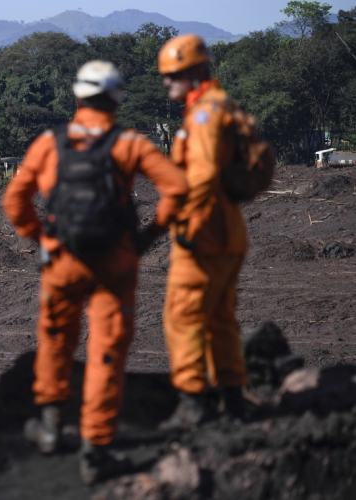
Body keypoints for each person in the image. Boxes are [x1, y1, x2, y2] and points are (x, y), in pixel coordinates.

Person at [3, 60, 188, 485]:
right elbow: (177, 189)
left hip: (62, 262)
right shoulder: (128, 142)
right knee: (106, 351)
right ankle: (97, 448)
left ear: (78, 96)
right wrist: (149, 236)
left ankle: (50, 427)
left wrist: (42, 239)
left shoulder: (51, 142)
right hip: (116, 263)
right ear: (117, 97)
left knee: (54, 340)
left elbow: (15, 200)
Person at [157, 34, 249, 430]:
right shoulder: (217, 106)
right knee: (220, 319)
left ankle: (193, 402)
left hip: (205, 235)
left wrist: (188, 228)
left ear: (195, 72)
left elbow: (204, 175)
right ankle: (233, 397)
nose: (166, 82)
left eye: (173, 74)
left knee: (183, 316)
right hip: (228, 229)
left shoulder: (203, 115)